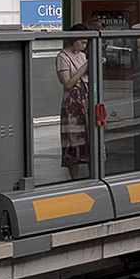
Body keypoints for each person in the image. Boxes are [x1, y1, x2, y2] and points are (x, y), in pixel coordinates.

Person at [56, 27, 91, 180]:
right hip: (73, 102)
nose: (84, 46)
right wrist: (84, 67)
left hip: (87, 97)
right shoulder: (63, 57)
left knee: (90, 136)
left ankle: (93, 173)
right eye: (82, 43)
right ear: (74, 40)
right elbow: (68, 83)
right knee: (73, 138)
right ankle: (74, 177)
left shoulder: (83, 55)